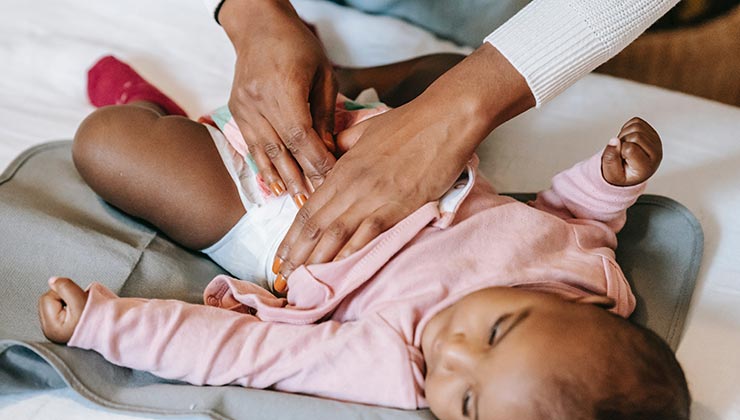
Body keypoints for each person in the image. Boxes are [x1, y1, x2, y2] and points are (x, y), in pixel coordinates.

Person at [39, 57, 688, 419]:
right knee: (457, 70)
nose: (454, 350)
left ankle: (162, 112)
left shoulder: (392, 362)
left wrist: (107, 324)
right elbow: (572, 221)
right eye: (497, 331)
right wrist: (609, 185)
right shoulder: (588, 275)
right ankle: (336, 79)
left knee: (111, 144)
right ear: (588, 307)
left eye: (464, 403)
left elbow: (245, 353)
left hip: (282, 208)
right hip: (409, 145)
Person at [205, 0, 682, 292]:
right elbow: (576, 226)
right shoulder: (583, 289)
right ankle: (342, 81)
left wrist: (458, 110)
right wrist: (253, 11)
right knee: (440, 71)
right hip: (362, 120)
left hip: (262, 211)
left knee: (143, 147)